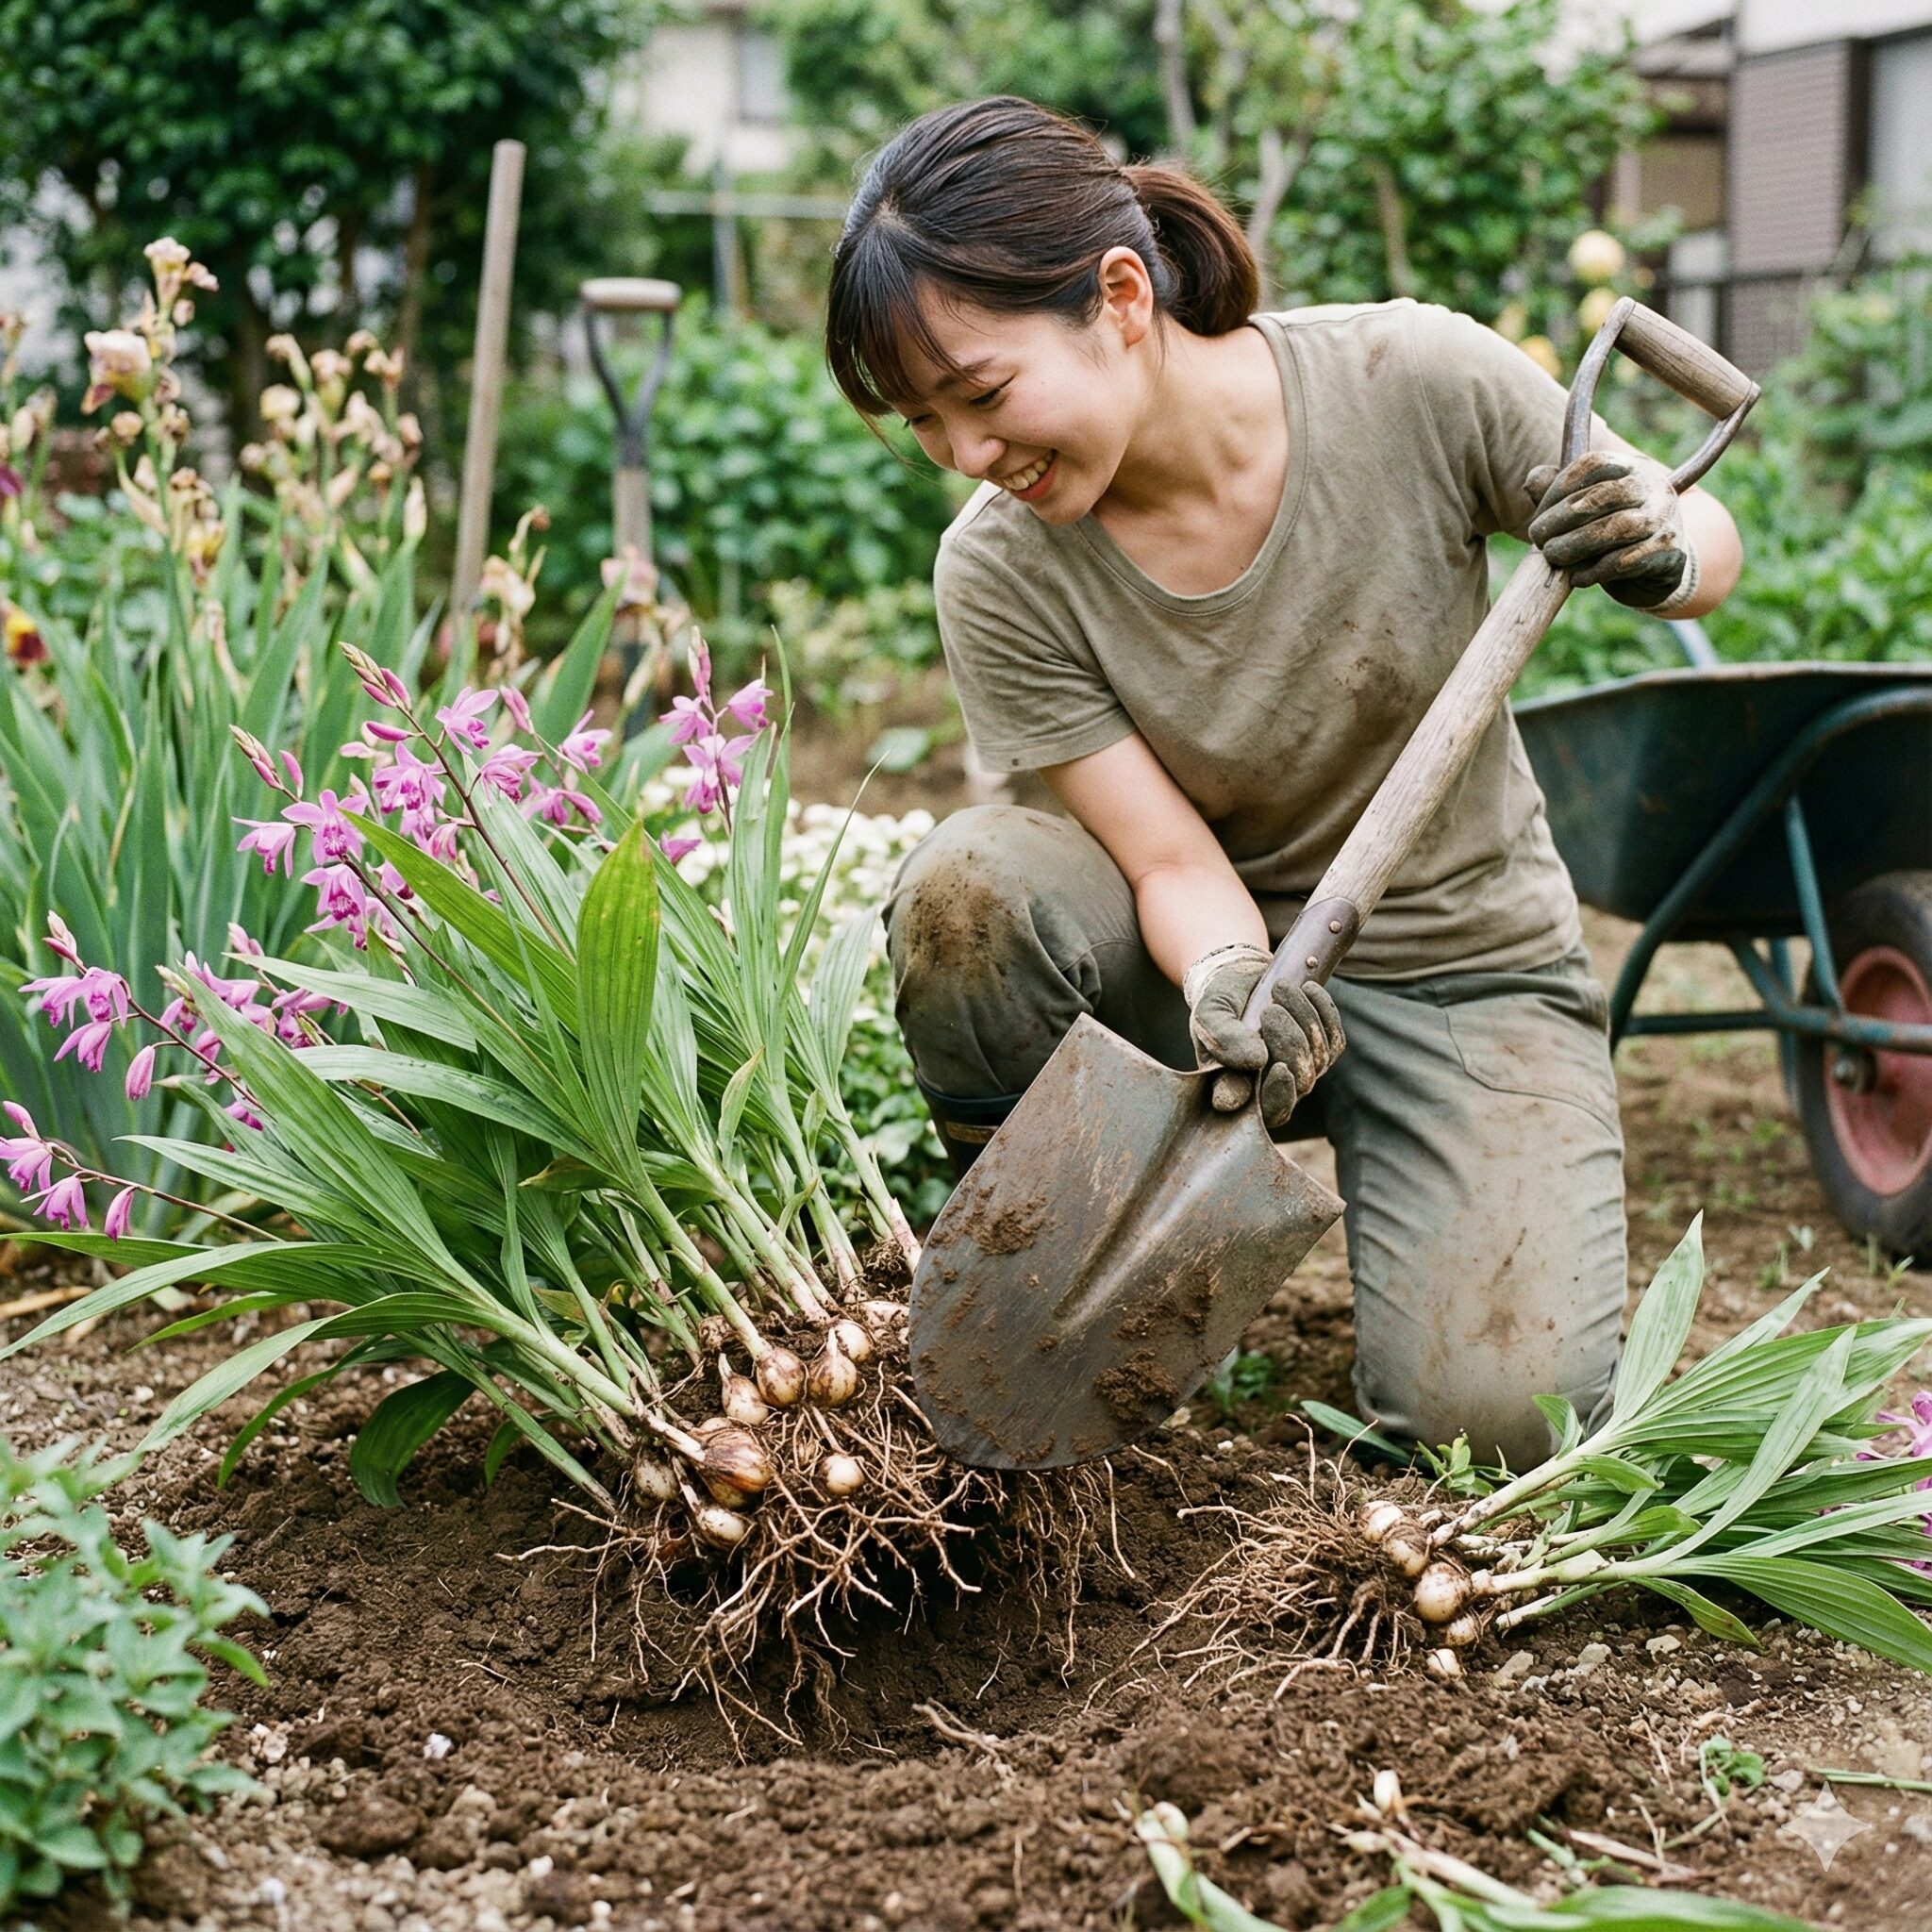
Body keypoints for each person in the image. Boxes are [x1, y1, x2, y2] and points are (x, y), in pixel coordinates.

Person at [822, 96, 1742, 1470]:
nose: (964, 455)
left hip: (1462, 970)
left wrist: (1657, 538)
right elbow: (1170, 863)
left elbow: (1710, 535)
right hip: (1217, 984)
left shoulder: (1406, 380)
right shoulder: (1001, 569)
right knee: (970, 894)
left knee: (1494, 1427)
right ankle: (1077, 1301)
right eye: (922, 424)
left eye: (982, 395)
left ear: (1120, 297)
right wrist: (1223, 983)